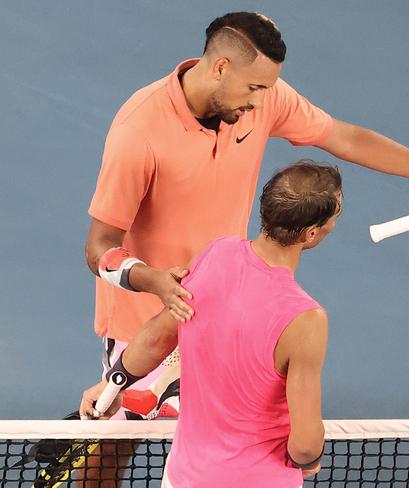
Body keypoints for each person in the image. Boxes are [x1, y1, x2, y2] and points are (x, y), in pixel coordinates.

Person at [83, 10, 409, 484]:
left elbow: (345, 137)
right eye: (255, 89)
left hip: (223, 301)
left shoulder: (262, 99)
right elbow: (99, 248)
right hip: (143, 313)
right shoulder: (139, 132)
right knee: (115, 444)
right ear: (220, 67)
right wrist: (153, 280)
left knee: (212, 430)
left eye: (268, 89)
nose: (263, 101)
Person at [81, 161, 342, 487]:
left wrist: (113, 384)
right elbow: (304, 445)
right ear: (312, 234)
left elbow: (154, 338)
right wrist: (310, 460)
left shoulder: (215, 254)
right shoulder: (305, 320)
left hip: (184, 478)